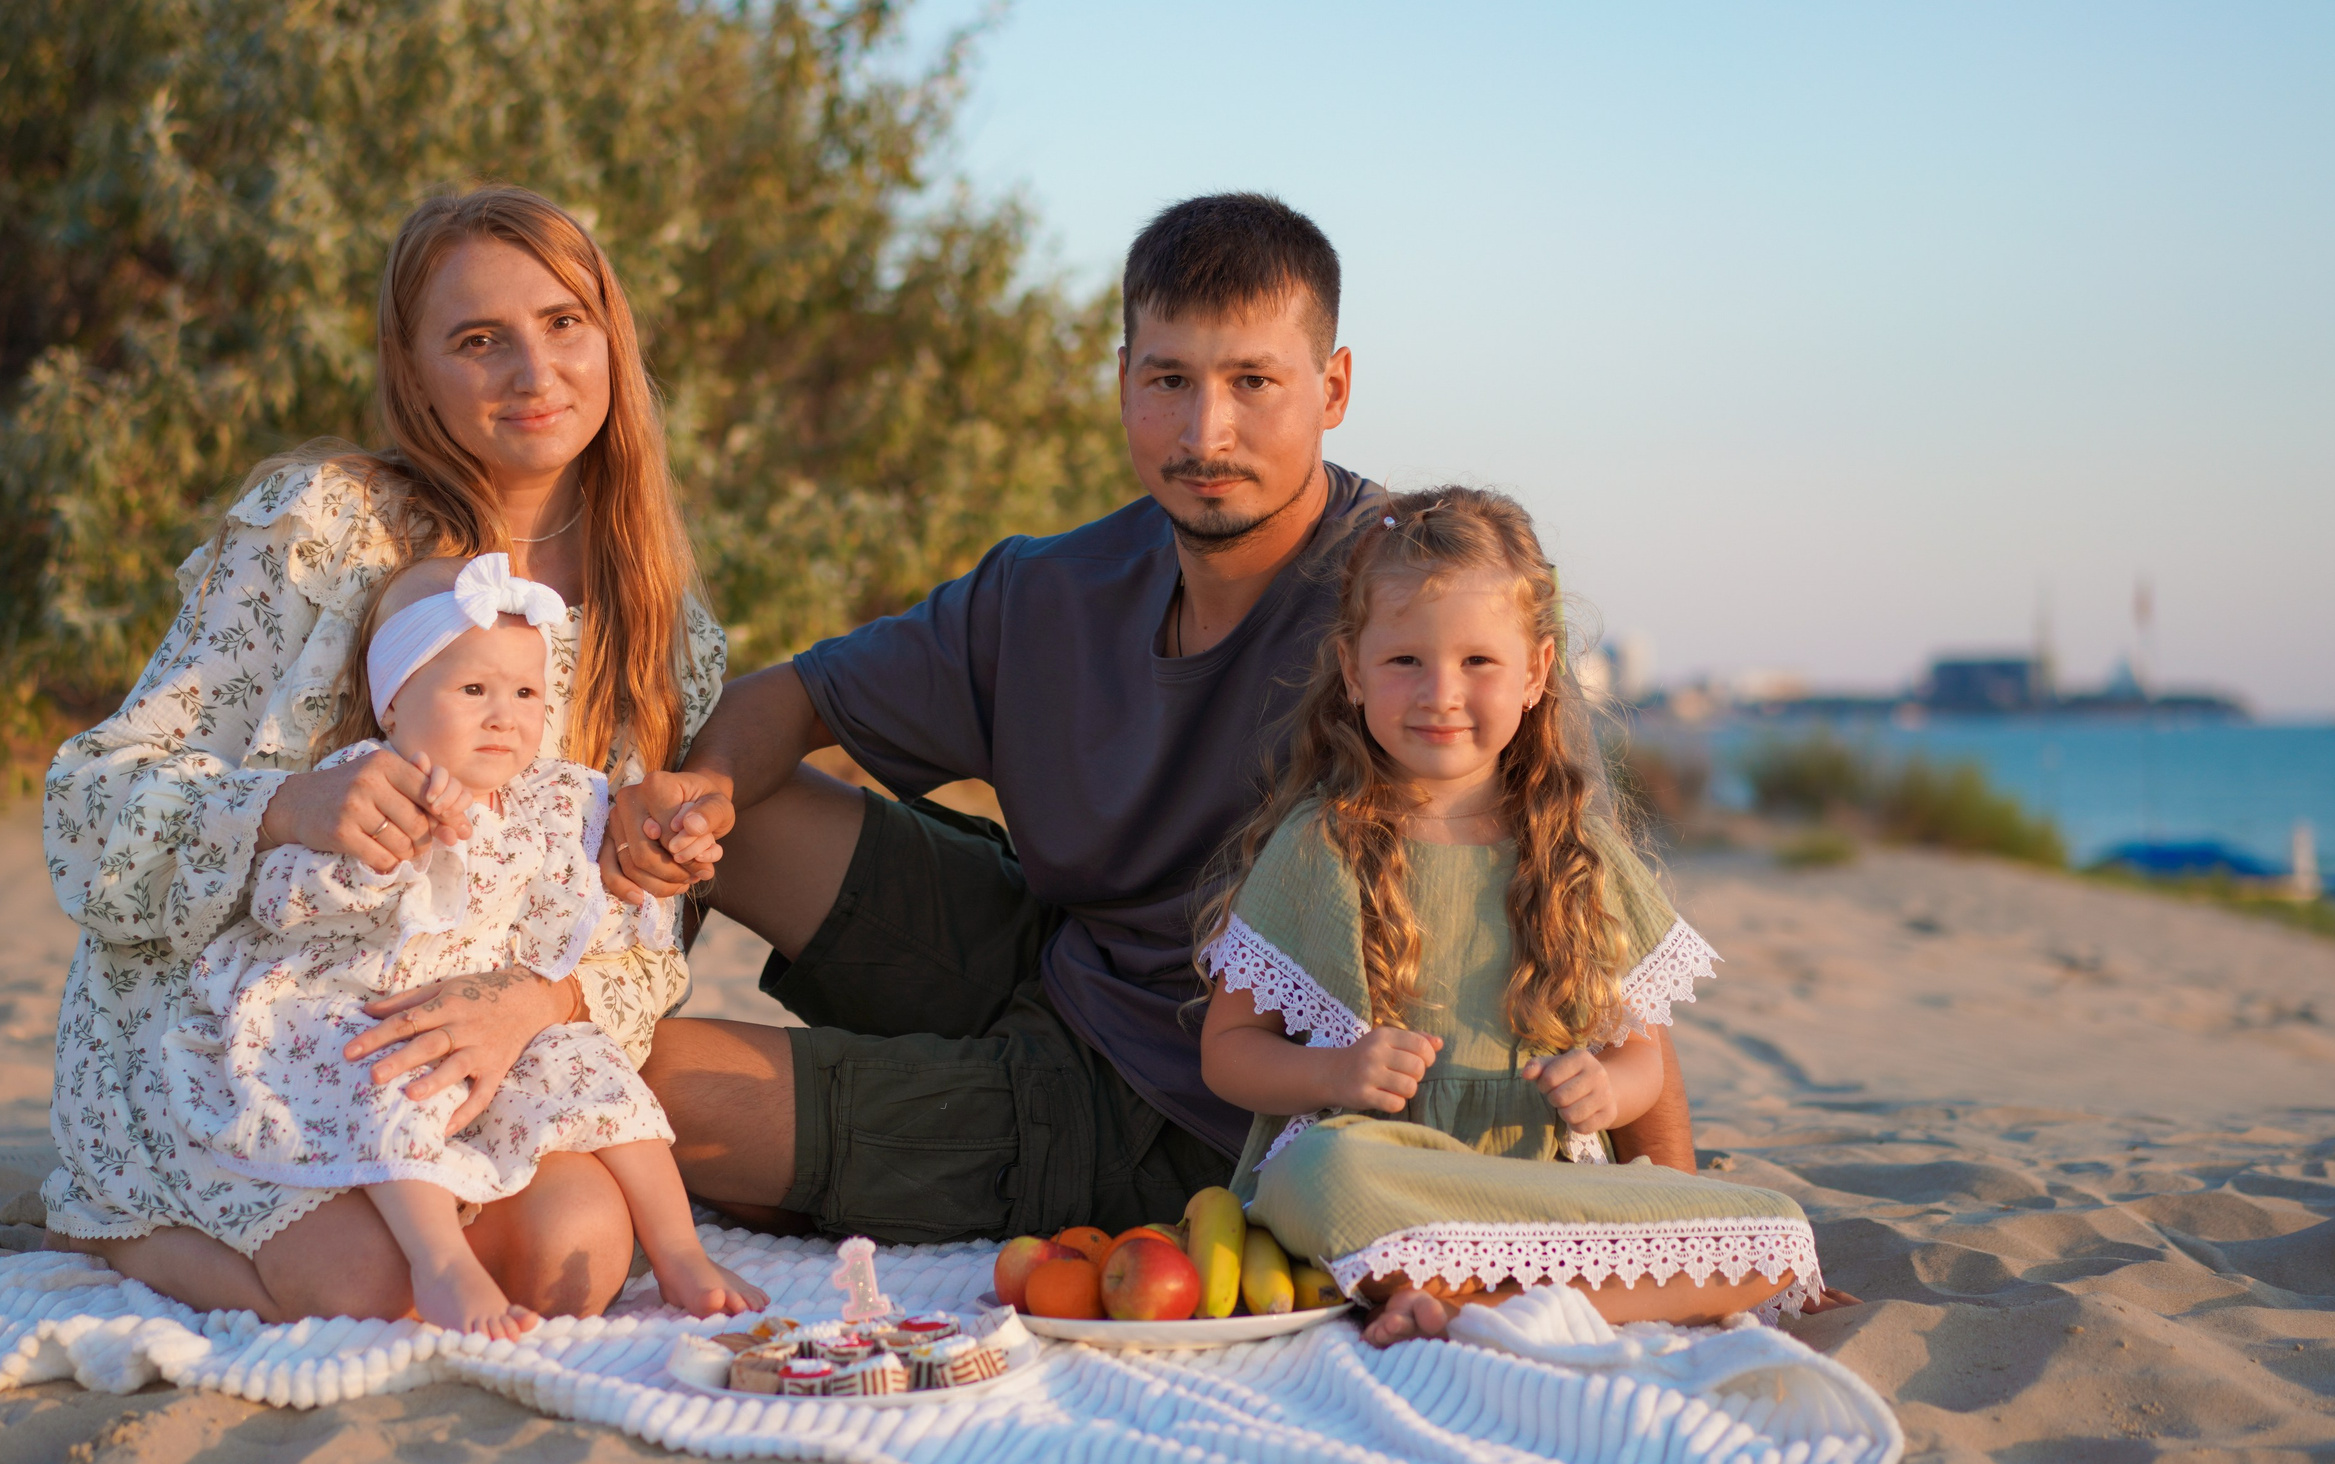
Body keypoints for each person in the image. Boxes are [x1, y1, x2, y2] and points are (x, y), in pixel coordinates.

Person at [607, 193, 1706, 1244]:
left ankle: (824, 1161)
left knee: (636, 1087)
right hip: (1053, 957)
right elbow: (788, 697)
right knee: (726, 808)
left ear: (1332, 387)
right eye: (1170, 379)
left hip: (1186, 1104)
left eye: (1253, 382)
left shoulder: (1416, 612)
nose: (1205, 430)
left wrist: (1681, 1211)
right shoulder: (1048, 588)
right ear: (1123, 379)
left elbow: (1582, 920)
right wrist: (694, 799)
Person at [42, 186, 728, 1324]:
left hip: (468, 1050)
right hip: (248, 1028)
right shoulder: (323, 527)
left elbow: (642, 952)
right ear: (414, 373)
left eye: (564, 322)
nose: (535, 370)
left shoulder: (663, 628)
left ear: (611, 333)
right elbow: (85, 807)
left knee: (578, 1252)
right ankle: (113, 1216)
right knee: (364, 1287)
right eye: (479, 339)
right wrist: (288, 807)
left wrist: (539, 997)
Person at [1194, 488, 1823, 1344]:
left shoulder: (1575, 851)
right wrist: (1335, 1074)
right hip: (1390, 1182)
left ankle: (1465, 1305)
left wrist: (1609, 1089)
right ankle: (1492, 1295)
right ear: (1352, 670)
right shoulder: (1321, 844)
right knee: (1321, 1169)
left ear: (1535, 672)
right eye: (1405, 659)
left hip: (1541, 1185)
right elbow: (1229, 1051)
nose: (1440, 693)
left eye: (1478, 661)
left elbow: (1642, 1056)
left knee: (1775, 1229)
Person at [161, 554, 766, 1334]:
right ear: (395, 703)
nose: (503, 716)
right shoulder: (365, 781)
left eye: (524, 694)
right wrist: (389, 857)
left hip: (491, 1012)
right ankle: (440, 1259)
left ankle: (679, 1249)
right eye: (473, 690)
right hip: (360, 997)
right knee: (387, 1073)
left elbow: (601, 904)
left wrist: (660, 847)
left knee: (588, 1060)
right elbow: (285, 900)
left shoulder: (551, 798)